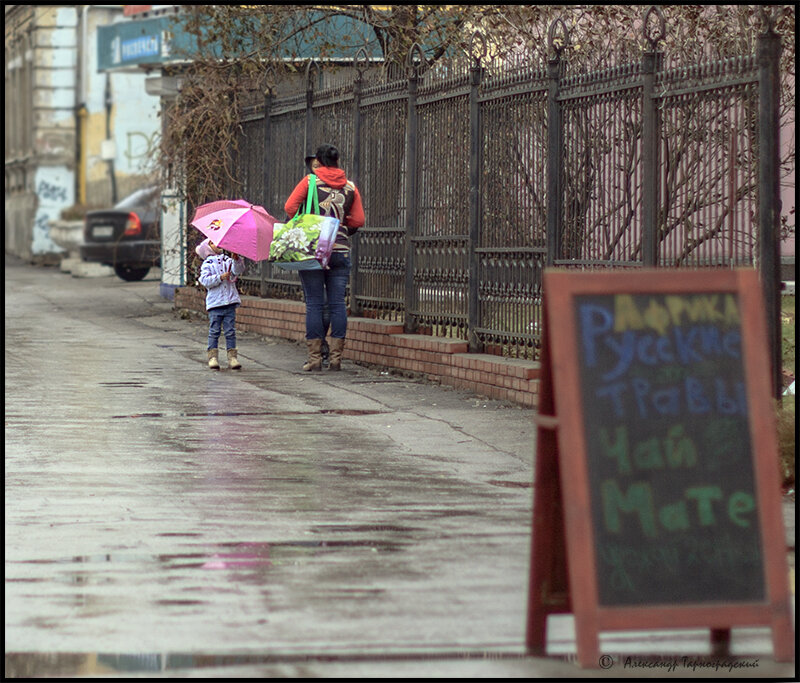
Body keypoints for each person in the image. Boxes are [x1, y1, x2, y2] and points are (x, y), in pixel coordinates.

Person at [285, 143, 365, 371]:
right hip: (339, 250)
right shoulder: (350, 187)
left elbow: (290, 207)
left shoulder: (310, 181)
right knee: (338, 303)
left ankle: (314, 359)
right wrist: (339, 225)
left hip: (313, 249)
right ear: (338, 161)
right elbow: (358, 220)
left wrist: (308, 218)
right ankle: (337, 358)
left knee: (314, 303)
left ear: (319, 161)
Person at [196, 237, 246, 370]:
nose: (217, 244)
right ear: (208, 248)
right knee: (214, 331)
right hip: (215, 304)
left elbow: (237, 271)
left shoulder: (227, 260)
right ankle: (213, 357)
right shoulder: (207, 264)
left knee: (230, 331)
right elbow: (205, 281)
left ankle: (232, 357)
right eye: (212, 243)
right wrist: (219, 278)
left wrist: (236, 259)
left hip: (229, 302)